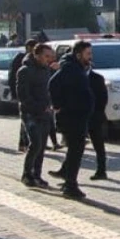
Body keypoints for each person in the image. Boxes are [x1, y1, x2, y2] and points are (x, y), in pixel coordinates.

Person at [47, 40, 94, 199]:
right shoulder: (70, 68)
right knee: (76, 151)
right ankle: (70, 185)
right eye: (88, 54)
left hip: (79, 115)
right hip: (72, 117)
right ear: (78, 54)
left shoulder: (77, 68)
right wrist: (58, 104)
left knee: (75, 149)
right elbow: (52, 83)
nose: (90, 57)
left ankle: (66, 174)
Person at [16, 44, 55, 189]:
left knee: (42, 146)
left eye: (50, 57)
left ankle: (37, 175)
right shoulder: (25, 71)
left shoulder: (46, 70)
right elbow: (23, 95)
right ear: (36, 55)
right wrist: (39, 106)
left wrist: (51, 105)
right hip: (30, 113)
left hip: (45, 113)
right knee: (36, 143)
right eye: (46, 56)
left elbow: (48, 90)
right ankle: (27, 174)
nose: (49, 59)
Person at [10, 39, 39, 152]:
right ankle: (23, 143)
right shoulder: (20, 59)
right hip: (24, 95)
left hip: (35, 96)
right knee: (25, 121)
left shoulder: (37, 61)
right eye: (32, 48)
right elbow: (13, 75)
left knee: (31, 121)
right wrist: (14, 93)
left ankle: (30, 142)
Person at [86, 67, 109, 181]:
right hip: (80, 116)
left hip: (95, 116)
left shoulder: (97, 78)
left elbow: (103, 98)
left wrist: (97, 112)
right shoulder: (77, 76)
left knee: (98, 144)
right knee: (75, 144)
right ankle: (65, 170)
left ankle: (101, 170)